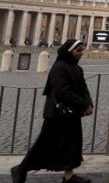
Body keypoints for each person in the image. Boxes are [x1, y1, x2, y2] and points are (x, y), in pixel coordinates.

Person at [11, 39, 93, 183]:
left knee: (72, 145)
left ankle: (69, 176)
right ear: (69, 51)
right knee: (44, 145)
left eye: (81, 50)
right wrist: (83, 105)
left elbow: (83, 88)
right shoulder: (59, 67)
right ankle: (20, 169)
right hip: (57, 115)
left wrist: (88, 103)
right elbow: (62, 92)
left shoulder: (77, 68)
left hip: (71, 114)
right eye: (78, 50)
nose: (81, 54)